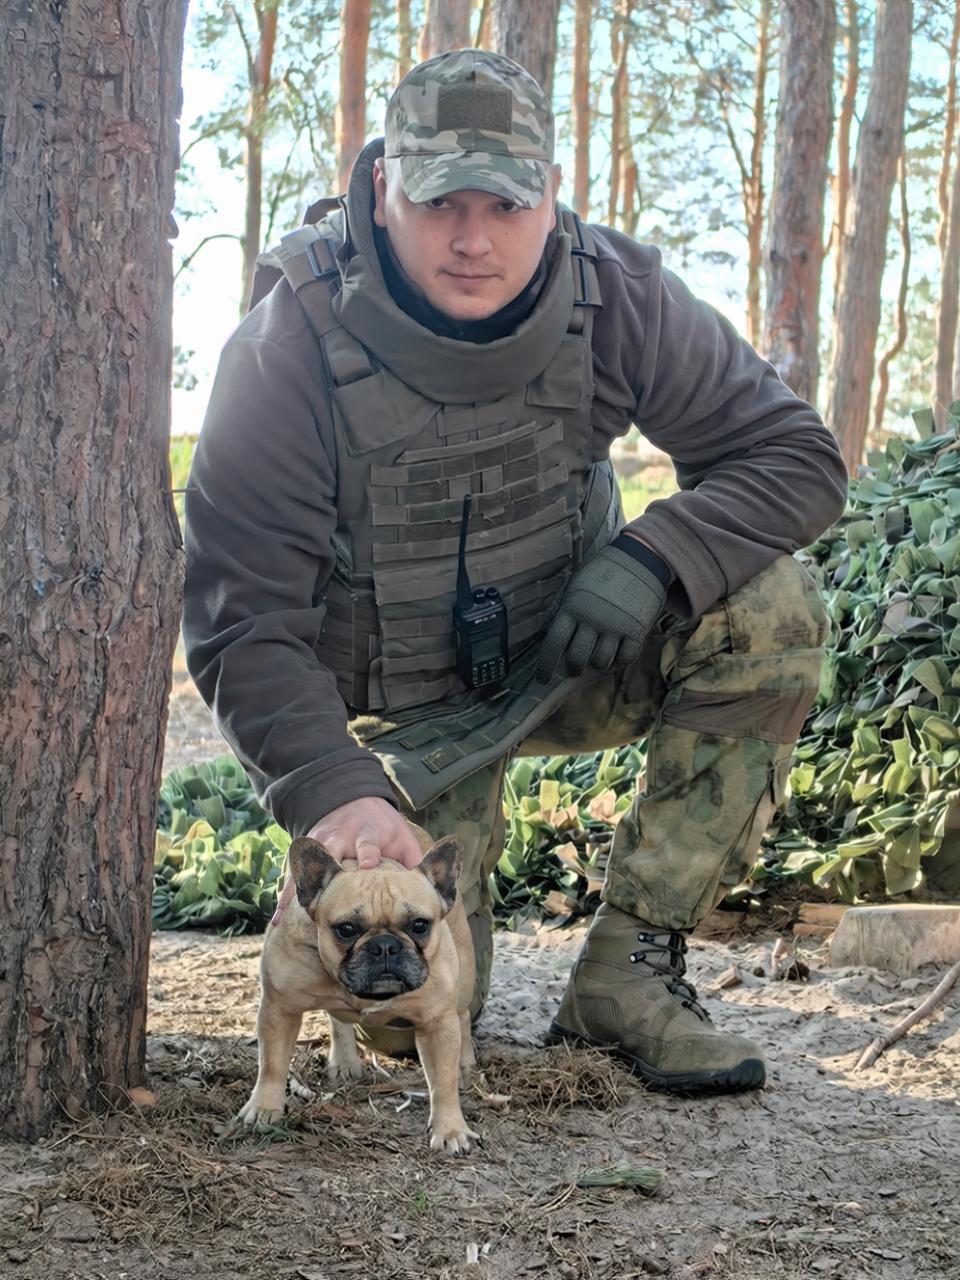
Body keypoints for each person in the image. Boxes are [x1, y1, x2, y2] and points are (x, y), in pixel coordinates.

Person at [183, 49, 847, 1095]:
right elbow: (243, 620)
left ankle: (629, 973)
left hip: (576, 650)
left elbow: (797, 455)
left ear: (551, 195)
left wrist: (653, 560)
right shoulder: (287, 347)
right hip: (405, 726)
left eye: (506, 200)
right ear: (382, 188)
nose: (473, 238)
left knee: (770, 609)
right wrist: (336, 790)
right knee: (418, 1009)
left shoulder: (614, 294)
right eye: (441, 199)